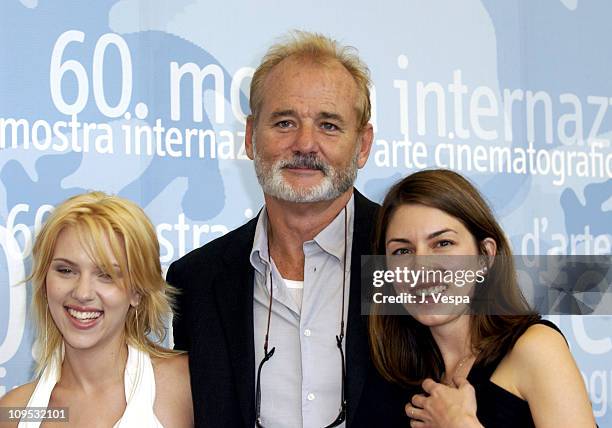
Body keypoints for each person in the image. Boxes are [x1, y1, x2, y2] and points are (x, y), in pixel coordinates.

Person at [167, 31, 411, 427]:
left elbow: (509, 346)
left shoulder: (410, 254)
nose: (305, 144)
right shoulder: (196, 280)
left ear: (363, 145)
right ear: (249, 137)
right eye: (284, 122)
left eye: (329, 125)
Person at [368, 169, 597, 428]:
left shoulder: (534, 348)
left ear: (485, 255)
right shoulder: (405, 382)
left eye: (442, 244)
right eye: (402, 250)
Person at [0, 192, 193, 428]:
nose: (82, 293)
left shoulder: (185, 385)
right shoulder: (14, 412)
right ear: (44, 281)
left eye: (106, 275)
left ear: (137, 291)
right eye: (66, 271)